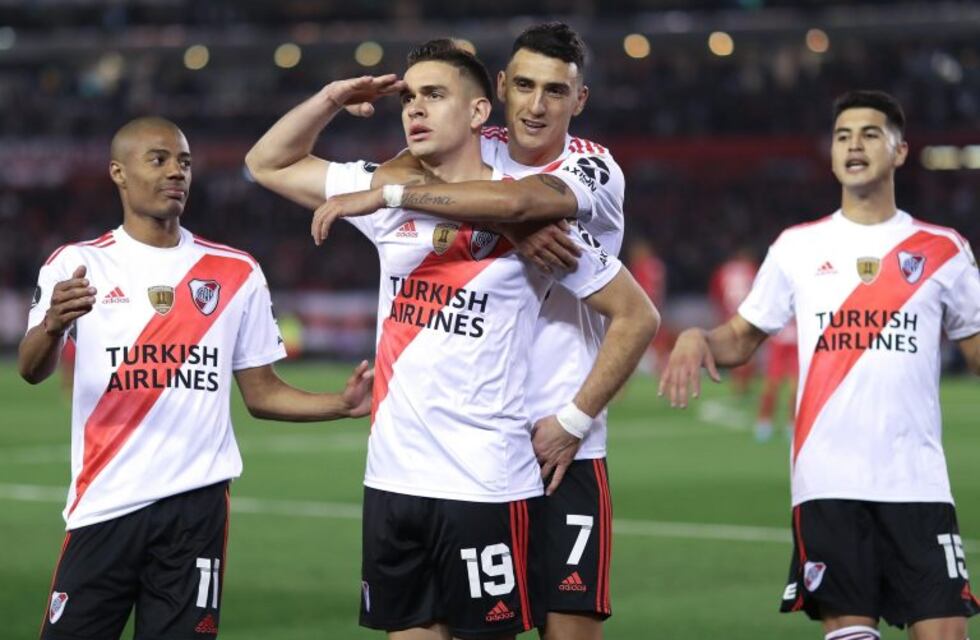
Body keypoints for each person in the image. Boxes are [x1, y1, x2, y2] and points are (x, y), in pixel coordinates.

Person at [248, 40, 659, 640]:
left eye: (556, 90)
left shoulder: (579, 177)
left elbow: (523, 204)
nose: (537, 105)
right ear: (497, 92)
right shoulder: (436, 165)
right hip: (416, 466)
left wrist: (574, 418)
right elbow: (273, 164)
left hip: (545, 443)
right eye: (524, 86)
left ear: (580, 99)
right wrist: (335, 99)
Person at [18, 117, 374, 640]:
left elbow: (262, 393)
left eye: (183, 162)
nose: (175, 172)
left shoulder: (236, 271)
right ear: (118, 172)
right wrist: (52, 325)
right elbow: (32, 368)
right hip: (106, 502)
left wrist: (339, 405)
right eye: (157, 159)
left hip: (196, 508)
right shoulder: (78, 264)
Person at [659, 90, 980, 640]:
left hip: (917, 481)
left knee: (947, 632)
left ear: (900, 152)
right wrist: (698, 337)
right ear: (832, 156)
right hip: (828, 481)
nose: (854, 145)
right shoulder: (797, 247)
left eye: (870, 134)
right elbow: (741, 336)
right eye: (842, 136)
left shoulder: (943, 249)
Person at [707, 247, 758, 395]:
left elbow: (715, 293)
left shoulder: (723, 270)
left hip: (729, 313)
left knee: (735, 348)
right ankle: (743, 384)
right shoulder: (751, 269)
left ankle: (737, 384)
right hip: (748, 313)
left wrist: (720, 311)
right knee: (748, 347)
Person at [754, 321, 798, 441]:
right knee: (771, 385)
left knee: (796, 388)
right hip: (779, 344)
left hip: (796, 345)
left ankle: (793, 424)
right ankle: (764, 422)